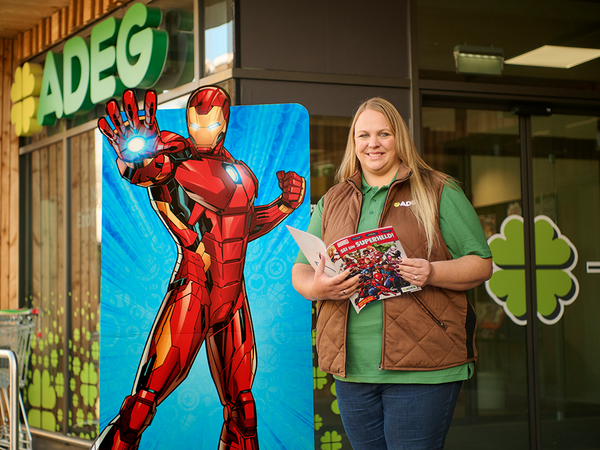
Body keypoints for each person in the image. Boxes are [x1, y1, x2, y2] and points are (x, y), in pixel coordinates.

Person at [93, 86, 305, 450]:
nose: (201, 131)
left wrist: (285, 205)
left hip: (233, 298)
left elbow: (244, 226)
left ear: (223, 124)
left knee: (243, 409)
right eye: (195, 123)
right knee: (143, 403)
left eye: (209, 124)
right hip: (195, 290)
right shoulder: (177, 157)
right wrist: (135, 154)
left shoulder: (240, 172)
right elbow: (147, 169)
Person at [291, 97, 492, 450]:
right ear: (353, 142)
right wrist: (318, 287)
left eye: (384, 134)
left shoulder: (438, 190)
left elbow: (480, 263)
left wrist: (432, 272)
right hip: (352, 367)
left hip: (423, 365)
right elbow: (302, 269)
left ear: (399, 138)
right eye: (363, 135)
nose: (373, 144)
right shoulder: (334, 199)